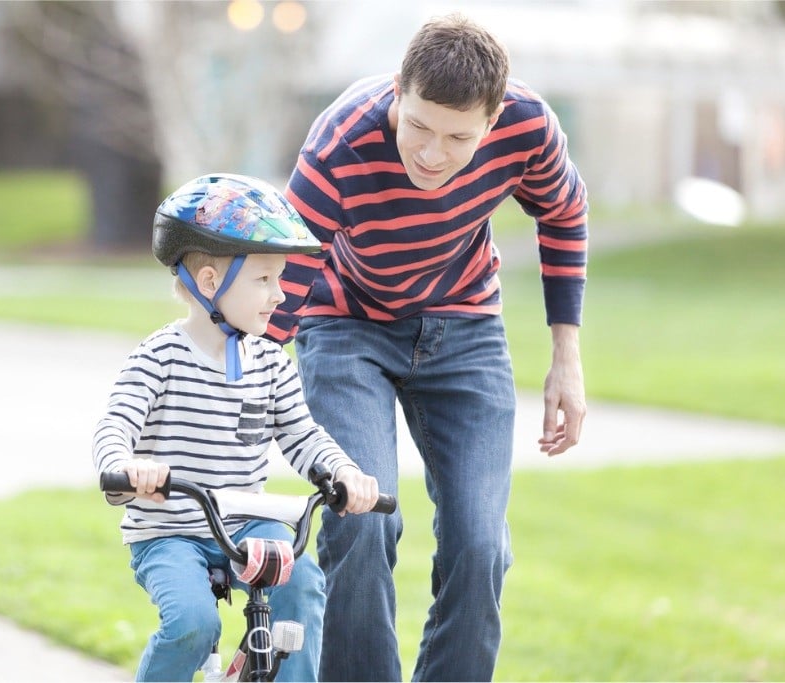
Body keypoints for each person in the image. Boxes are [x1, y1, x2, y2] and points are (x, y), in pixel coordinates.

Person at [265, 13, 589, 682]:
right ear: (397, 91)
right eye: (417, 125)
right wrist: (241, 393)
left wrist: (567, 358)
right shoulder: (341, 143)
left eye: (458, 137)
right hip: (346, 326)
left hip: (464, 327)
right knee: (362, 520)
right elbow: (285, 279)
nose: (432, 154)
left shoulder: (529, 125)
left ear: (494, 121)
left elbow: (563, 209)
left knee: (480, 546)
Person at [92, 173, 382, 682]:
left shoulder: (270, 362)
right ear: (210, 284)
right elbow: (116, 424)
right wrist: (123, 464)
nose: (279, 294)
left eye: (281, 278)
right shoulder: (160, 357)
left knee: (301, 584)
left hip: (247, 524)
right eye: (264, 279)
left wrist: (342, 471)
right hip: (170, 531)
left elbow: (302, 434)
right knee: (192, 623)